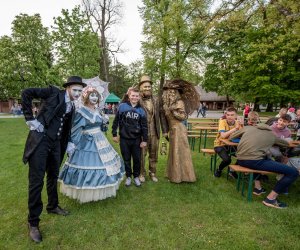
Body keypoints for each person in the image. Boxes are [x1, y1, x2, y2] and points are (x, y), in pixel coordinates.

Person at [21, 76, 86, 243]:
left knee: (53, 177)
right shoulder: (52, 93)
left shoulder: (72, 105)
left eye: (80, 90)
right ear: (67, 88)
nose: (78, 93)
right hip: (41, 142)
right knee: (36, 182)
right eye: (75, 90)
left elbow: (66, 126)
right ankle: (33, 222)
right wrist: (30, 119)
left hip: (56, 145)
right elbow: (26, 93)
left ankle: (53, 206)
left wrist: (69, 141)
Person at [59, 86, 125, 203]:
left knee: (105, 165)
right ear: (86, 97)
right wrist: (74, 144)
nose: (94, 98)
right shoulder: (80, 111)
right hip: (87, 142)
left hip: (100, 139)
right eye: (91, 95)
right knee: (88, 164)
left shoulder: (99, 111)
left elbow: (103, 128)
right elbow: (75, 129)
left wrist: (105, 122)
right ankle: (86, 191)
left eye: (96, 96)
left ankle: (102, 189)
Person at [229, 122, 299, 209]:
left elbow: (231, 137)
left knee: (266, 158)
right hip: (254, 161)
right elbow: (286, 144)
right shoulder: (271, 135)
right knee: (293, 172)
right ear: (270, 128)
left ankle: (258, 188)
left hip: (240, 160)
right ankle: (270, 199)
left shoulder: (248, 128)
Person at [161, 79, 199, 183]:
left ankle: (185, 176)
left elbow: (183, 116)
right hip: (173, 130)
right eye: (169, 92)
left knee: (181, 152)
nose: (171, 94)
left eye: (173, 92)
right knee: (174, 152)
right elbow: (165, 119)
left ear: (177, 93)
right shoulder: (165, 105)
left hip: (179, 129)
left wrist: (174, 111)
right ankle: (174, 175)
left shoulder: (180, 102)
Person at [112, 87, 148, 187]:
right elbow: (116, 121)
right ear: (129, 95)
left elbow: (144, 126)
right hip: (124, 139)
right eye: (133, 95)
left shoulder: (141, 110)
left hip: (136, 139)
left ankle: (136, 176)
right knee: (126, 159)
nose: (135, 97)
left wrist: (144, 140)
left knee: (137, 159)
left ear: (139, 97)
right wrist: (114, 134)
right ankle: (128, 176)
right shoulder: (122, 106)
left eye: (137, 96)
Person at [138, 75, 161, 182]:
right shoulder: (137, 99)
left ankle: (153, 173)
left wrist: (165, 131)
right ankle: (141, 173)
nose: (147, 88)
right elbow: (124, 104)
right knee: (142, 154)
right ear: (141, 88)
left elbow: (161, 115)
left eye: (149, 87)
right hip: (142, 133)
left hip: (154, 132)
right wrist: (126, 94)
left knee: (154, 154)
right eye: (145, 87)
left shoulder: (156, 99)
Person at [214, 107, 243, 178]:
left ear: (236, 116)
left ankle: (232, 171)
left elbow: (243, 135)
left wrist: (242, 125)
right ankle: (219, 169)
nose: (229, 117)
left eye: (232, 115)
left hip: (232, 145)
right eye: (228, 115)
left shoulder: (238, 123)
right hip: (219, 144)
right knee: (227, 160)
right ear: (225, 115)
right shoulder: (222, 121)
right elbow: (223, 136)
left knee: (243, 157)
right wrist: (235, 128)